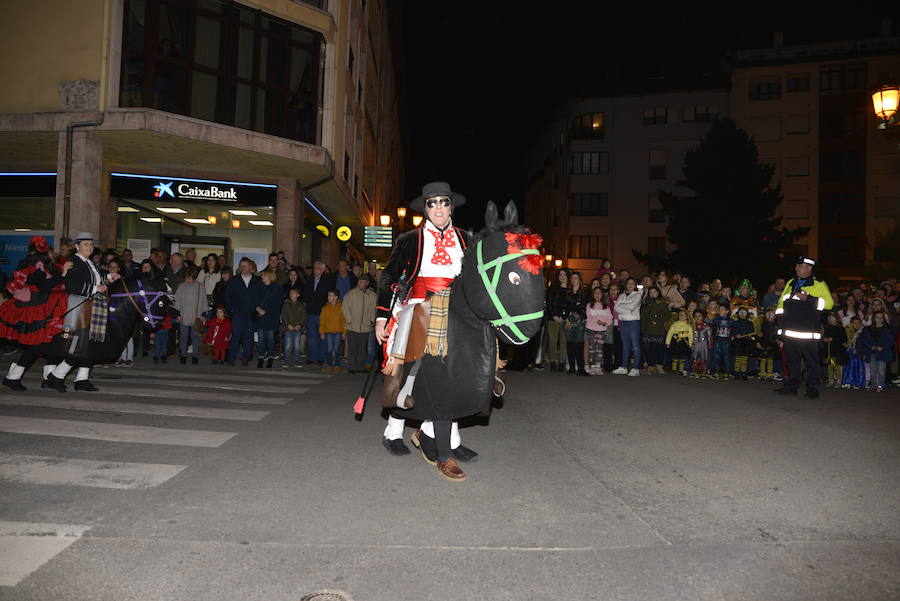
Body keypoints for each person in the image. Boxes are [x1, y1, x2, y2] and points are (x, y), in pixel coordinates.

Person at [374, 181, 477, 472]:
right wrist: (383, 316)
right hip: (420, 308)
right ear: (425, 208)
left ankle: (451, 438)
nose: (439, 208)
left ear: (451, 206)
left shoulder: (466, 238)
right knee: (412, 372)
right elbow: (388, 277)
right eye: (432, 203)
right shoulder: (409, 240)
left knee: (456, 375)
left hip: (457, 312)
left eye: (444, 202)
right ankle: (393, 432)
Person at [45, 232, 120, 392]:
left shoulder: (90, 263)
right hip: (77, 307)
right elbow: (71, 285)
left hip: (91, 307)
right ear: (77, 246)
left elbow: (100, 281)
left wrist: (110, 277)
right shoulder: (74, 262)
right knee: (76, 345)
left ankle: (81, 379)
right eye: (86, 244)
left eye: (91, 244)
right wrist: (95, 288)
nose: (90, 247)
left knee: (89, 345)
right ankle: (56, 376)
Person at [0, 237, 72, 391]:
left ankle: (48, 378)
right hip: (35, 308)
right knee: (36, 344)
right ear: (45, 253)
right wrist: (63, 274)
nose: (54, 254)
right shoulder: (33, 266)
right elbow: (45, 286)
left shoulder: (45, 266)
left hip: (45, 306)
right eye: (51, 251)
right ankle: (12, 378)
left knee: (51, 342)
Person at [774, 256, 833, 398]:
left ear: (809, 268)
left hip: (808, 333)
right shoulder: (790, 283)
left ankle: (813, 389)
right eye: (796, 266)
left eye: (800, 266)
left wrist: (809, 299)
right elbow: (781, 306)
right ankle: (791, 386)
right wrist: (779, 330)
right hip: (789, 333)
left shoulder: (819, 284)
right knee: (792, 361)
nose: (797, 268)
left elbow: (829, 304)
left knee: (812, 363)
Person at [224, 257, 264, 366]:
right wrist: (231, 308)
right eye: (241, 266)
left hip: (250, 313)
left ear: (250, 267)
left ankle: (245, 358)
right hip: (237, 313)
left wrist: (257, 307)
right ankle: (231, 358)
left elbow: (261, 296)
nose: (242, 268)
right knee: (236, 335)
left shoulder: (257, 281)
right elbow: (227, 295)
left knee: (248, 336)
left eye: (244, 266)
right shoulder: (234, 280)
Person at [342, 274, 376, 373]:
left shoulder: (372, 295)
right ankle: (352, 367)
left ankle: (360, 367)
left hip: (365, 326)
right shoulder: (351, 294)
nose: (361, 283)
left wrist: (371, 320)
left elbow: (374, 309)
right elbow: (345, 308)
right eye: (359, 281)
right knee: (352, 348)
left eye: (363, 281)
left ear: (367, 283)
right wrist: (350, 320)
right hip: (353, 326)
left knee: (362, 348)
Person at [174, 266, 208, 365]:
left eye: (189, 278)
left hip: (196, 316)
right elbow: (177, 301)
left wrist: (203, 314)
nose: (187, 280)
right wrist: (177, 314)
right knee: (183, 336)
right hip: (183, 315)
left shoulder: (200, 287)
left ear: (194, 277)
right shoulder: (181, 286)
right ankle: (183, 355)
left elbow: (203, 301)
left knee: (195, 337)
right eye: (186, 278)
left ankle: (195, 356)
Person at [302, 261, 332, 365]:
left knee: (322, 336)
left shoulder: (328, 280)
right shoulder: (309, 279)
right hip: (310, 312)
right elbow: (304, 294)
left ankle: (321, 358)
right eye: (315, 267)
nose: (316, 269)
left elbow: (329, 296)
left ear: (323, 270)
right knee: (311, 337)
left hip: (322, 313)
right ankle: (311, 358)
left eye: (318, 268)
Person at [611, 277, 642, 376]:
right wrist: (627, 308)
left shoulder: (637, 295)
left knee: (635, 346)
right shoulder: (621, 295)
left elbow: (632, 307)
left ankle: (635, 368)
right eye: (628, 283)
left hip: (633, 322)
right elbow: (616, 308)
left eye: (632, 283)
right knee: (625, 346)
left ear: (635, 285)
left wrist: (623, 306)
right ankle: (623, 367)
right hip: (623, 322)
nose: (630, 285)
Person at [859, 311, 894, 392]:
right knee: (873, 369)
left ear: (884, 319)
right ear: (874, 318)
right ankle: (873, 384)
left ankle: (881, 385)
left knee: (881, 370)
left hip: (882, 352)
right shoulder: (868, 329)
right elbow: (864, 339)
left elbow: (891, 341)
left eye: (881, 317)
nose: (879, 319)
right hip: (872, 352)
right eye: (877, 317)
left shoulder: (887, 329)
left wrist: (883, 347)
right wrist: (871, 346)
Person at [254, 270, 283, 368]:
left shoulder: (276, 288)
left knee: (270, 338)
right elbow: (254, 299)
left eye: (264, 275)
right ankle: (261, 357)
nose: (262, 277)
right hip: (260, 316)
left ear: (270, 276)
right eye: (262, 275)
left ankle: (270, 356)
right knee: (261, 338)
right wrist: (258, 308)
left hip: (271, 316)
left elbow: (277, 302)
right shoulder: (259, 287)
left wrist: (265, 310)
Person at [563, 271, 589, 376]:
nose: (573, 280)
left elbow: (583, 305)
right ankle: (572, 368)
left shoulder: (585, 292)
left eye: (576, 278)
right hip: (569, 319)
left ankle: (581, 369)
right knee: (570, 344)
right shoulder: (567, 292)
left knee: (578, 344)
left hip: (580, 320)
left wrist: (573, 305)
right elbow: (566, 306)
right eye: (572, 278)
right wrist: (574, 305)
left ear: (579, 280)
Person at [640, 285, 669, 374]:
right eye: (651, 292)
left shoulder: (663, 304)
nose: (653, 294)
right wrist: (645, 326)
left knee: (659, 348)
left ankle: (659, 365)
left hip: (659, 330)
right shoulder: (646, 304)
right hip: (648, 331)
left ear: (658, 293)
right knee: (649, 349)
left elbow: (668, 315)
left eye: (654, 292)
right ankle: (651, 366)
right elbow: (643, 316)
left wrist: (658, 319)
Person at [545, 268, 570, 372]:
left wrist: (564, 317)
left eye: (564, 275)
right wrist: (554, 315)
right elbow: (549, 303)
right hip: (553, 318)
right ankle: (552, 362)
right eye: (560, 275)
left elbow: (571, 305)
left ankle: (561, 363)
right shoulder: (553, 288)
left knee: (564, 342)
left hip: (566, 320)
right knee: (552, 341)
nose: (562, 277)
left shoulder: (571, 289)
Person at [585, 287, 612, 375]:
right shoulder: (589, 305)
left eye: (599, 293)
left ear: (602, 295)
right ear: (593, 294)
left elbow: (610, 318)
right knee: (592, 348)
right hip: (591, 329)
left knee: (599, 349)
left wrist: (605, 323)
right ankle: (592, 367)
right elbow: (589, 316)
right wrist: (597, 321)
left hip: (602, 330)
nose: (597, 294)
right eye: (595, 293)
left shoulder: (606, 306)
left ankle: (598, 366)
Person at [319, 289, 345, 373]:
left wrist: (344, 332)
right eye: (328, 295)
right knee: (329, 349)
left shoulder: (341, 307)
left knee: (337, 349)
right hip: (328, 331)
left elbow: (344, 320)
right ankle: (329, 364)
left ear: (336, 297)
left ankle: (337, 365)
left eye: (330, 295)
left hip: (338, 331)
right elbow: (322, 321)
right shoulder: (325, 308)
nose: (328, 297)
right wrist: (321, 332)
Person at [280, 287, 306, 368]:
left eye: (294, 293)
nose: (291, 294)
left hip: (297, 329)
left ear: (298, 295)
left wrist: (300, 324)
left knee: (297, 346)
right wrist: (288, 325)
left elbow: (304, 316)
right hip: (288, 328)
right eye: (291, 293)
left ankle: (297, 360)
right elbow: (284, 315)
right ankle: (287, 360)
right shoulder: (286, 304)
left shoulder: (301, 305)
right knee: (287, 345)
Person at [822, 311, 848, 388]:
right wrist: (825, 339)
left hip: (837, 351)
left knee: (836, 366)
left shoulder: (840, 328)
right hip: (830, 351)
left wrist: (833, 339)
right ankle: (831, 380)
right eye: (830, 318)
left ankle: (839, 380)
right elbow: (824, 337)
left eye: (833, 318)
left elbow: (844, 339)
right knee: (830, 366)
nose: (831, 319)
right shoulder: (827, 328)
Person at [708, 303, 734, 380]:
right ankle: (715, 371)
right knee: (716, 356)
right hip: (717, 340)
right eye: (719, 309)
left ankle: (727, 372)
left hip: (727, 341)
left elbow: (733, 330)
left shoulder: (731, 321)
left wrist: (731, 338)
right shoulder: (715, 320)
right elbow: (712, 328)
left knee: (727, 357)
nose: (720, 311)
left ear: (727, 311)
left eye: (722, 310)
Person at [666, 309, 693, 376]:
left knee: (682, 357)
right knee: (674, 356)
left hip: (684, 342)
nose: (681, 316)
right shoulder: (675, 324)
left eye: (683, 315)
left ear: (687, 316)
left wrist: (690, 344)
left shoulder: (688, 326)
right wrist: (668, 342)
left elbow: (690, 335)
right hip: (675, 342)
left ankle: (681, 370)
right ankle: (674, 370)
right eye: (680, 315)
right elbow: (670, 333)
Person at [731, 306, 755, 380]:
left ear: (747, 314)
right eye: (740, 312)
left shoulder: (750, 323)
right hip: (738, 342)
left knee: (744, 359)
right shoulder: (735, 323)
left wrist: (748, 336)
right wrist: (736, 335)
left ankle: (744, 373)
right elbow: (732, 331)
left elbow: (752, 333)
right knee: (738, 358)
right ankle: (737, 372)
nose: (742, 314)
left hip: (746, 342)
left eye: (744, 312)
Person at [756, 309, 779, 382]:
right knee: (763, 359)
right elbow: (758, 334)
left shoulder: (776, 326)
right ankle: (762, 374)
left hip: (772, 344)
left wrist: (778, 340)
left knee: (770, 360)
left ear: (774, 316)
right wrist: (758, 342)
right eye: (767, 315)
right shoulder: (762, 325)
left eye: (771, 315)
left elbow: (778, 336)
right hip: (764, 343)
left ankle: (769, 374)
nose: (769, 316)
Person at [690, 309, 712, 378]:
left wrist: (710, 345)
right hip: (695, 344)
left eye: (699, 316)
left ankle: (704, 372)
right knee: (694, 358)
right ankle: (694, 371)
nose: (697, 318)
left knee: (704, 358)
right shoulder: (691, 326)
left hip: (703, 344)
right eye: (696, 316)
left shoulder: (706, 327)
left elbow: (709, 336)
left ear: (703, 317)